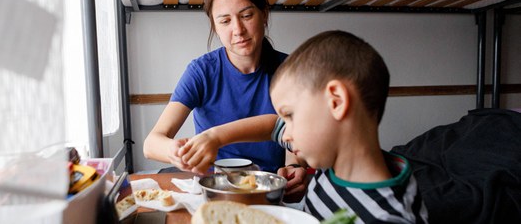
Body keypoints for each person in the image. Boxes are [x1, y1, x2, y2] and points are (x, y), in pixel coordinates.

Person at [181, 30, 429, 223]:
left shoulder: (385, 217)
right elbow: (270, 126)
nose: (285, 133)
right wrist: (214, 137)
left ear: (336, 102)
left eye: (290, 115)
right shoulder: (336, 169)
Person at [143, 0, 291, 173]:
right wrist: (176, 151)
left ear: (264, 14)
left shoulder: (291, 70)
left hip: (268, 184)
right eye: (225, 21)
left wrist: (294, 166)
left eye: (246, 15)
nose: (238, 30)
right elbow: (151, 144)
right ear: (215, 26)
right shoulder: (202, 72)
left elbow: (296, 133)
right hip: (215, 184)